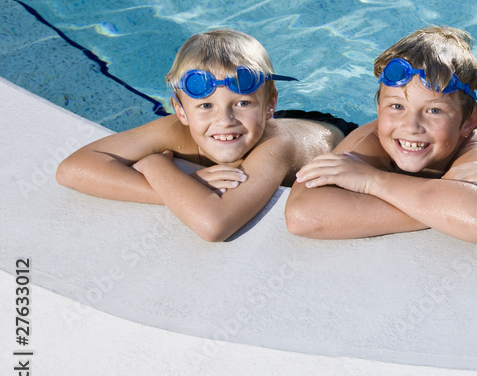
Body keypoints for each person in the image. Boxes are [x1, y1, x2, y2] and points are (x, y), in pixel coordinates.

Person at [56, 29, 345, 242]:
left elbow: (215, 224)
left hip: (320, 133)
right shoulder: (176, 127)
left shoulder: (275, 147)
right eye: (206, 106)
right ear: (181, 111)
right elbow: (72, 169)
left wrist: (155, 165)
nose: (224, 120)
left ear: (270, 104)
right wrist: (184, 184)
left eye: (241, 102)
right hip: (257, 123)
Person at [285, 26, 477, 245]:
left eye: (434, 110)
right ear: (378, 109)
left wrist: (372, 181)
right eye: (397, 106)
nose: (411, 126)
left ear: (469, 122)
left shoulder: (473, 147)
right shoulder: (367, 142)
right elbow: (301, 215)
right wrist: (443, 191)